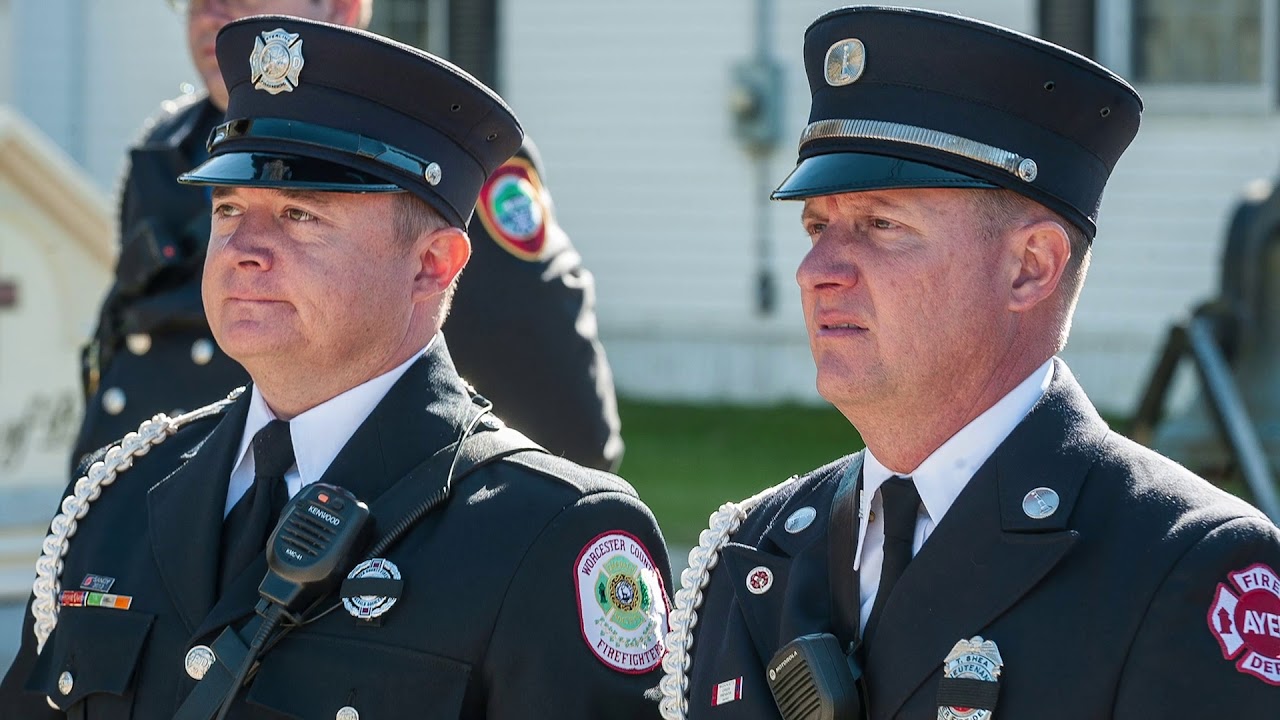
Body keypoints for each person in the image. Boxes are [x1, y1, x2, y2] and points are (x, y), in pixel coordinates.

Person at [2, 16, 669, 718]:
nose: (242, 248)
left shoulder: (553, 538)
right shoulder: (118, 497)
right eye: (229, 208)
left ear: (430, 265)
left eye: (299, 214)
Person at [659, 7, 1280, 720]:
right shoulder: (758, 548)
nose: (816, 270)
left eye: (882, 225)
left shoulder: (1185, 566)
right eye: (817, 225)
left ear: (1029, 267)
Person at [73, 0, 623, 475]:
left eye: (301, 214)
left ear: (340, 8)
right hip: (149, 528)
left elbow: (563, 419)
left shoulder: (432, 152)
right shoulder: (164, 148)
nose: (209, 15)